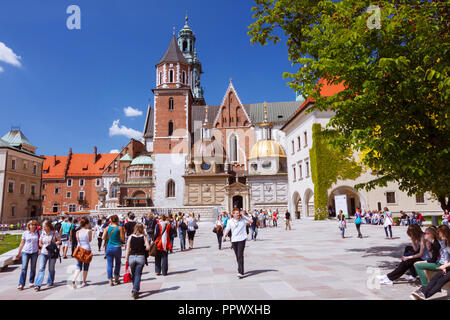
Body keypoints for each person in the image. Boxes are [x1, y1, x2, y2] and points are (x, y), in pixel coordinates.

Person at [411, 225, 450, 300]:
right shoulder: (445, 242)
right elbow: (446, 256)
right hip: (447, 265)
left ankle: (424, 295)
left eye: (439, 232)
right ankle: (423, 293)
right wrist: (445, 266)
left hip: (447, 265)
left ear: (444, 233)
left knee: (442, 279)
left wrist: (445, 266)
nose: (437, 234)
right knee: (437, 276)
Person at [222, 208, 253, 278]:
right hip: (234, 240)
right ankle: (240, 268)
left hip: (242, 239)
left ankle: (240, 272)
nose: (237, 214)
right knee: (237, 255)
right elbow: (227, 229)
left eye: (238, 213)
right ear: (233, 214)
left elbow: (251, 221)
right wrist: (224, 236)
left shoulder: (243, 220)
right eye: (236, 213)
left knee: (240, 255)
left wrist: (244, 216)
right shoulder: (230, 221)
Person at [34, 220, 61, 291]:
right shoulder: (42, 233)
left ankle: (50, 282)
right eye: (42, 227)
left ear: (48, 226)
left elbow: (59, 241)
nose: (43, 228)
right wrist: (43, 246)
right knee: (41, 268)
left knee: (51, 269)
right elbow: (40, 243)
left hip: (52, 252)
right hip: (44, 252)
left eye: (44, 227)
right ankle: (38, 285)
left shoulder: (54, 233)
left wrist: (53, 244)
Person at [126, 223, 150, 299]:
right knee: (138, 274)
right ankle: (135, 289)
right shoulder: (144, 237)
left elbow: (127, 249)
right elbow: (148, 248)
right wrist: (143, 247)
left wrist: (126, 259)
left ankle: (135, 288)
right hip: (140, 257)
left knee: (134, 274)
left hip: (132, 257)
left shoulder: (130, 237)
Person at [16, 220, 40, 290]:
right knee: (24, 268)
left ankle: (31, 281)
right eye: (31, 225)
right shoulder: (25, 233)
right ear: (28, 226)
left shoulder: (38, 233)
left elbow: (41, 241)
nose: (32, 226)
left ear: (36, 226)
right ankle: (21, 284)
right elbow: (22, 243)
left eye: (34, 225)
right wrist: (19, 252)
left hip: (34, 252)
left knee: (33, 267)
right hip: (25, 252)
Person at [102, 215, 125, 286]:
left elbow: (103, 237)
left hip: (109, 247)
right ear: (117, 220)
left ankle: (110, 280)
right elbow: (122, 239)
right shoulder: (120, 228)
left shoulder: (107, 227)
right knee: (118, 263)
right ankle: (116, 278)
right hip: (117, 247)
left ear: (111, 220)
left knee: (109, 264)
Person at [72, 217, 93, 288]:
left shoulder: (77, 232)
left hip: (79, 249)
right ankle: (84, 281)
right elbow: (90, 240)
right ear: (87, 224)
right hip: (87, 249)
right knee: (86, 266)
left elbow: (78, 240)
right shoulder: (89, 231)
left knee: (78, 266)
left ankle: (74, 279)